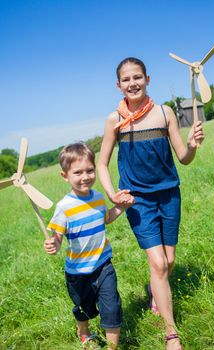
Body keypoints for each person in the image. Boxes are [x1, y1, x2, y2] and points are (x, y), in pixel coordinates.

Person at [97, 57, 204, 350]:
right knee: (157, 262)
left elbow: (183, 157)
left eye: (138, 77)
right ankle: (172, 334)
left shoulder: (164, 113)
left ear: (148, 79)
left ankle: (155, 291)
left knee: (168, 262)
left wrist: (192, 145)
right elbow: (102, 163)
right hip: (138, 200)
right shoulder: (114, 120)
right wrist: (112, 194)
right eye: (127, 79)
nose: (133, 83)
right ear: (118, 85)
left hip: (169, 195)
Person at [44, 142, 134, 350]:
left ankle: (112, 347)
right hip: (78, 271)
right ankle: (83, 331)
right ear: (65, 176)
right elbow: (57, 235)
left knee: (111, 306)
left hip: (103, 264)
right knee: (84, 308)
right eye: (78, 172)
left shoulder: (99, 198)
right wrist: (53, 244)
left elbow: (107, 218)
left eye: (90, 170)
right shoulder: (64, 207)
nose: (85, 176)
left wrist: (121, 207)